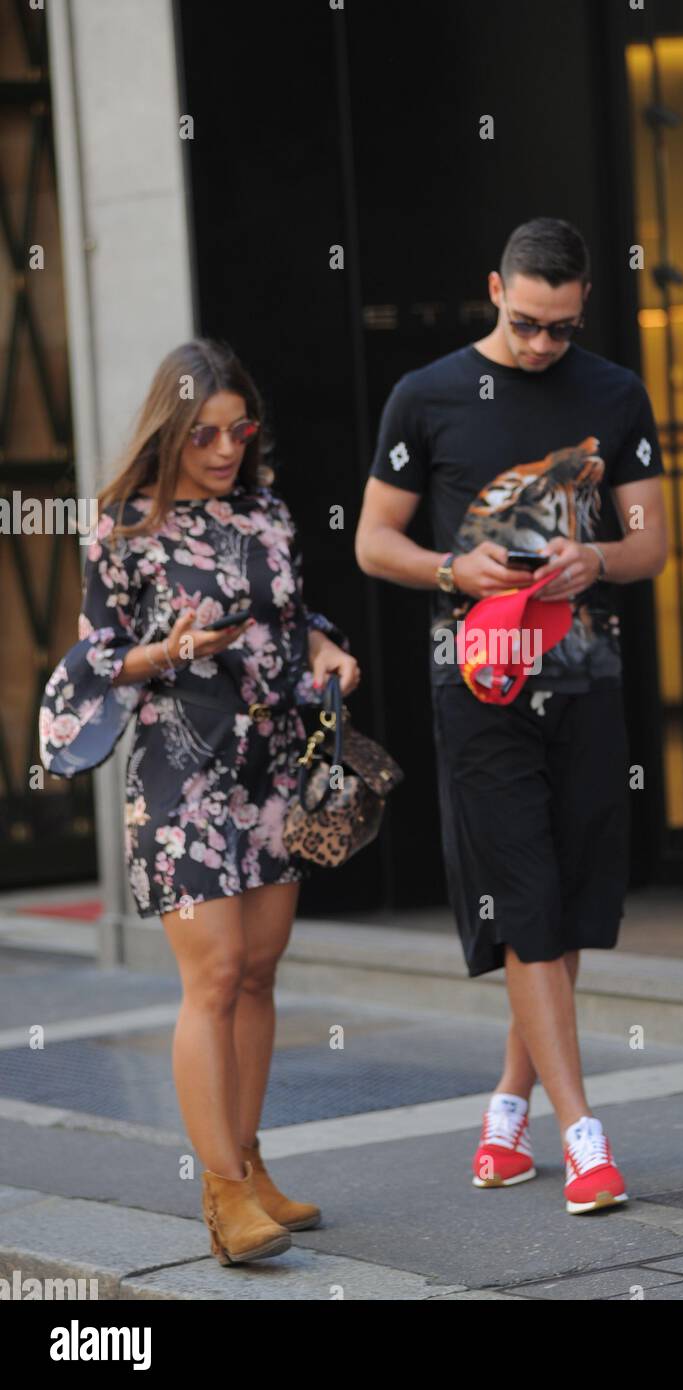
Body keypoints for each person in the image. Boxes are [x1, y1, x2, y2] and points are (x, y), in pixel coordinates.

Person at [355, 218, 668, 1214]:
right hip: (478, 684)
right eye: (526, 324)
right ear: (494, 287)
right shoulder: (428, 394)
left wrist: (599, 560)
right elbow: (371, 540)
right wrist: (453, 567)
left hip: (584, 677)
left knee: (567, 898)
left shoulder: (614, 392)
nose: (541, 346)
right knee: (524, 895)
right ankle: (584, 1135)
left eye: (561, 330)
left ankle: (504, 1113)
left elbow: (653, 541)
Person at [38, 339, 360, 1265]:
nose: (224, 451)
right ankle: (220, 1198)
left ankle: (252, 1168)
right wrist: (167, 652)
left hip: (270, 763)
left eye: (239, 431)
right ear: (170, 432)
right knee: (213, 974)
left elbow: (293, 623)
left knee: (260, 971)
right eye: (205, 435)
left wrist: (325, 656)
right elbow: (98, 657)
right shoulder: (123, 526)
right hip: (181, 771)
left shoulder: (265, 513)